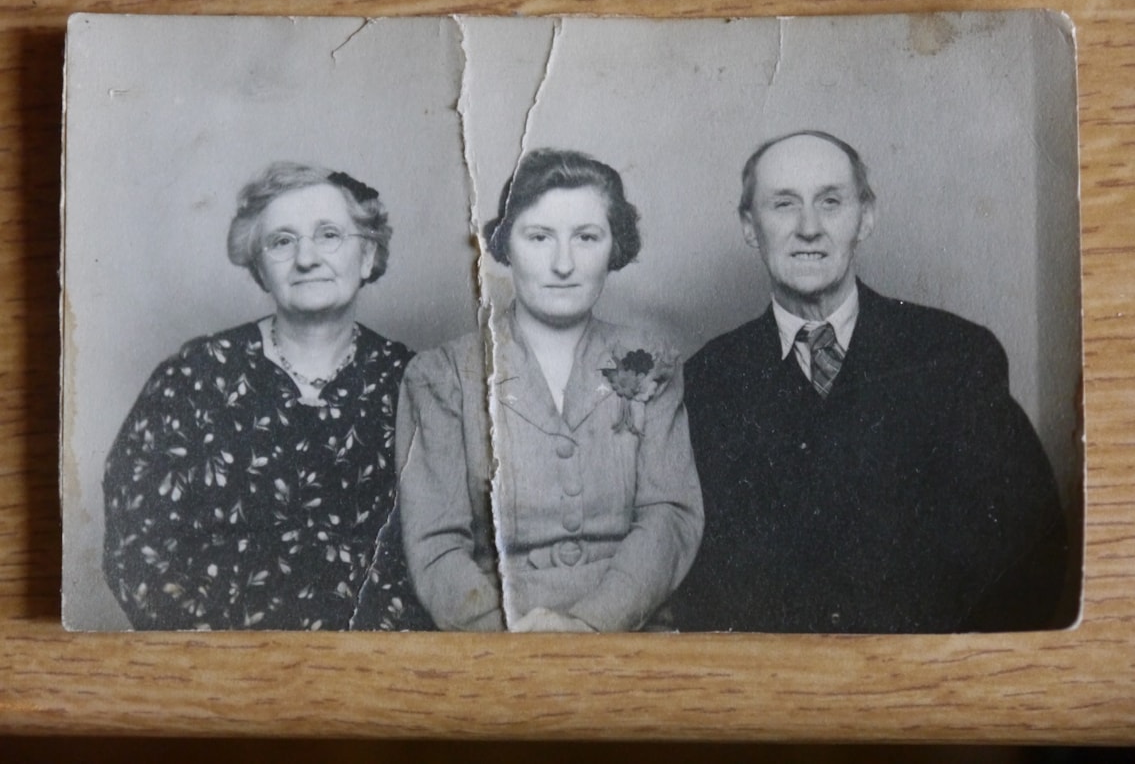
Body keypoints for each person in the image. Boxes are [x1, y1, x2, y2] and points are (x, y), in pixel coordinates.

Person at [674, 130, 1069, 634]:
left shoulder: (954, 357)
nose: (809, 228)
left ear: (866, 218)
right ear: (750, 227)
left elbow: (1031, 551)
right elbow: (696, 577)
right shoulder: (709, 379)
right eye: (784, 205)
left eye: (831, 202)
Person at [397, 148, 704, 632]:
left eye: (586, 237)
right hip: (498, 649)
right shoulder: (441, 376)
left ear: (615, 246)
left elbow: (669, 520)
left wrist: (591, 625)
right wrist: (509, 639)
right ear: (505, 245)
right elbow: (434, 547)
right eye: (539, 237)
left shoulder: (653, 363)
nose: (564, 263)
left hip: (633, 637)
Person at [102, 162, 418, 631]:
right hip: (221, 666)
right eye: (282, 241)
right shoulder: (194, 378)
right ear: (260, 270)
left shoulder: (415, 382)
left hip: (377, 665)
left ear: (368, 256)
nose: (306, 258)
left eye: (328, 234)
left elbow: (441, 550)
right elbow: (138, 546)